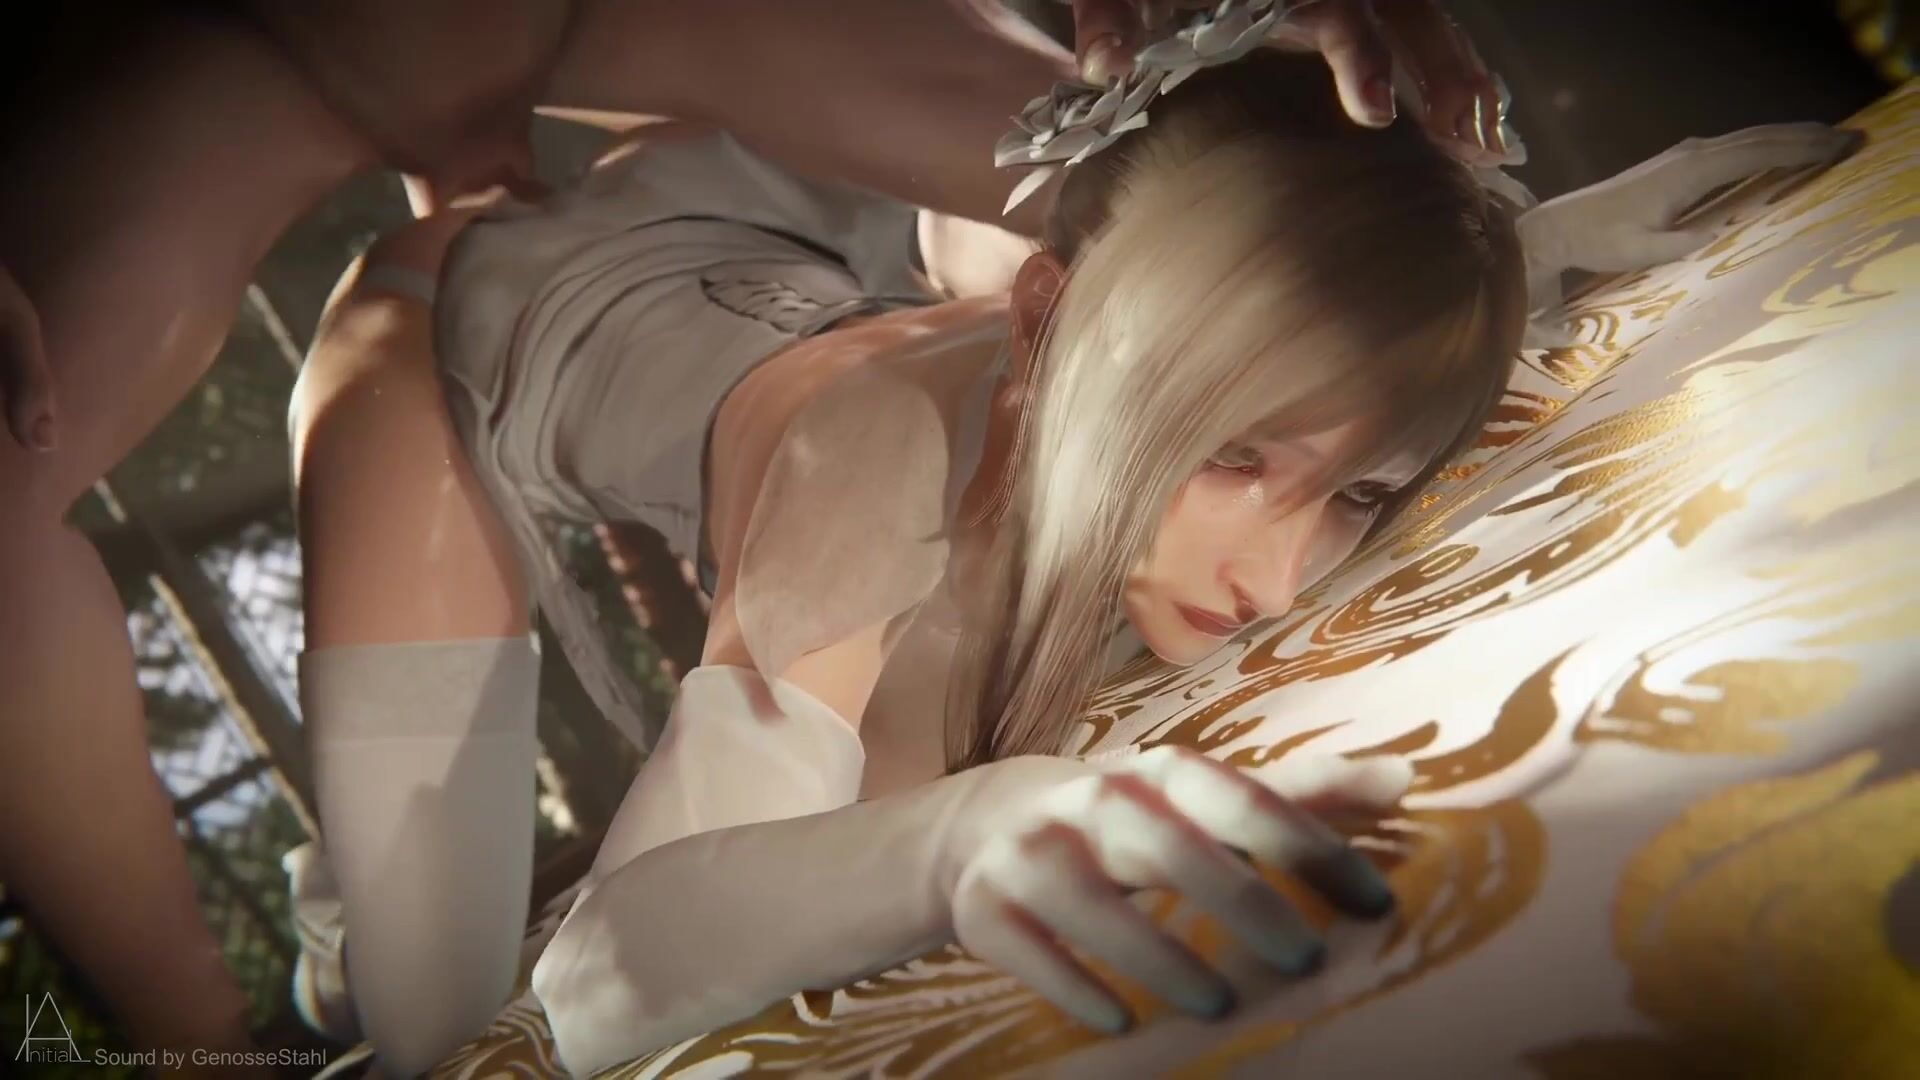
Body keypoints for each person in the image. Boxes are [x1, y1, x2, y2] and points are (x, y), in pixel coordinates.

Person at [0, 1, 1512, 1063]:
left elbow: (1379, 270)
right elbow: (602, 973)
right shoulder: (867, 482)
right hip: (454, 321)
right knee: (432, 1026)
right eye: (1236, 460)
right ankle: (350, 912)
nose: (1275, 585)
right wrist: (948, 844)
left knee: (1174, 184)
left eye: (1352, 492)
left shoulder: (1095, 255)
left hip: (775, 184)